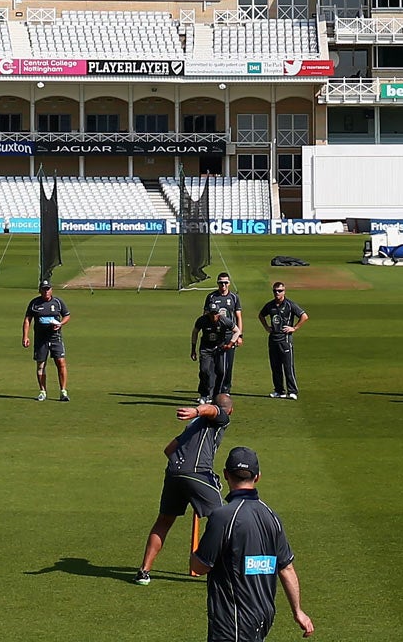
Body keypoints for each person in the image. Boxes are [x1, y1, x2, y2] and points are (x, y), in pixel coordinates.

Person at [192, 444, 316, 639]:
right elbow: (287, 568)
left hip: (232, 620)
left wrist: (196, 554)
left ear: (225, 474)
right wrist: (298, 611)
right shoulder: (271, 516)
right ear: (257, 477)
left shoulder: (222, 517)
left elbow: (199, 567)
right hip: (262, 617)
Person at [136, 391, 232, 586]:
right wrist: (197, 410)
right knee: (223, 520)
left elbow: (168, 450)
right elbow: (213, 409)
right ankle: (223, 570)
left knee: (163, 521)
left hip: (173, 473)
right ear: (231, 410)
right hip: (198, 473)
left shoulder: (192, 426)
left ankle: (143, 571)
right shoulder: (220, 417)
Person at [196, 273, 244, 398]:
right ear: (217, 283)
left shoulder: (234, 297)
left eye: (225, 283)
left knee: (227, 365)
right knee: (211, 367)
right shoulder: (211, 296)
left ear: (229, 283)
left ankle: (225, 390)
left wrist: (239, 336)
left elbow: (238, 316)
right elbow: (205, 315)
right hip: (215, 335)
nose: (223, 285)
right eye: (221, 282)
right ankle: (208, 393)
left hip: (230, 334)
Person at [23, 277, 71, 401]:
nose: (46, 292)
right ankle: (42, 391)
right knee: (41, 365)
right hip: (40, 339)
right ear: (40, 290)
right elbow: (28, 319)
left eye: (48, 289)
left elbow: (67, 315)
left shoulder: (58, 302)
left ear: (51, 290)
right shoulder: (34, 303)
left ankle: (63, 391)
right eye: (44, 289)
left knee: (61, 362)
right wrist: (25, 336)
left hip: (55, 338)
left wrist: (60, 324)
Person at [258, 281, 307, 400]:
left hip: (285, 340)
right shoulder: (270, 305)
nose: (277, 293)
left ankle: (292, 391)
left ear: (284, 292)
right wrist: (266, 327)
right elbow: (261, 315)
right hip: (273, 338)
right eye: (275, 291)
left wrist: (294, 328)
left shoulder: (290, 305)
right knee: (275, 367)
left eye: (279, 291)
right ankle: (279, 390)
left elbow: (304, 316)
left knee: (288, 366)